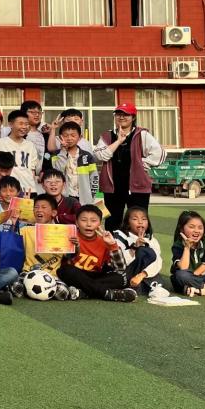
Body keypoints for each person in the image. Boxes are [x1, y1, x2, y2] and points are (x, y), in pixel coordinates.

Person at [94, 102, 166, 231]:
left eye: (126, 115)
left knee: (139, 222)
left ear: (133, 117)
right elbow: (100, 156)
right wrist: (118, 141)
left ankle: (141, 243)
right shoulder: (107, 136)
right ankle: (113, 243)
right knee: (112, 221)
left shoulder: (142, 134)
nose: (121, 117)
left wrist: (142, 164)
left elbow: (160, 154)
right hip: (112, 187)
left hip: (138, 187)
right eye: (118, 114)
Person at [57, 204, 135, 302]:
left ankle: (83, 293)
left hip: (95, 276)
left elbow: (120, 268)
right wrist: (74, 247)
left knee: (122, 278)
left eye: (93, 221)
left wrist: (112, 245)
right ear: (76, 222)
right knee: (65, 270)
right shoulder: (71, 237)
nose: (88, 224)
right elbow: (65, 259)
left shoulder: (104, 240)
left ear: (99, 223)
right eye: (84, 220)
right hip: (75, 275)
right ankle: (107, 293)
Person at [10, 194, 78, 301]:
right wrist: (13, 223)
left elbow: (70, 256)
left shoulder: (62, 232)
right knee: (15, 287)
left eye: (43, 207)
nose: (39, 210)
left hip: (52, 276)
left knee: (62, 293)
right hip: (29, 273)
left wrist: (76, 246)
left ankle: (73, 291)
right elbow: (12, 245)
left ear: (53, 213)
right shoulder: (26, 230)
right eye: (36, 207)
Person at [0, 109, 40, 195]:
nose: (24, 127)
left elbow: (32, 170)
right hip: (8, 192)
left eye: (26, 124)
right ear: (11, 124)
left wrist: (31, 186)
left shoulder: (30, 145)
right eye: (21, 123)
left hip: (28, 191)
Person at [111, 206, 165, 296]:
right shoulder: (120, 236)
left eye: (144, 219)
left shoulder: (152, 239)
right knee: (144, 251)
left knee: (157, 274)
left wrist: (142, 275)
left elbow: (158, 261)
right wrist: (135, 247)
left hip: (142, 275)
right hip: (126, 273)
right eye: (135, 219)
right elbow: (120, 263)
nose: (140, 222)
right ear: (127, 223)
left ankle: (139, 286)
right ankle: (147, 286)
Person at [170, 210, 205, 297]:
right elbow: (183, 268)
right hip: (187, 277)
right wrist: (187, 247)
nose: (196, 231)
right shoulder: (178, 245)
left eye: (200, 228)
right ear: (182, 229)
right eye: (192, 227)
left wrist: (195, 277)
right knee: (181, 276)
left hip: (204, 276)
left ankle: (200, 290)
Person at [49, 121, 99, 204]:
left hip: (84, 199)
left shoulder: (87, 156)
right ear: (60, 137)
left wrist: (91, 197)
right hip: (63, 198)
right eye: (65, 136)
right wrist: (63, 151)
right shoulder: (56, 155)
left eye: (73, 135)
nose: (69, 138)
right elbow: (57, 171)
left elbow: (94, 178)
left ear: (79, 137)